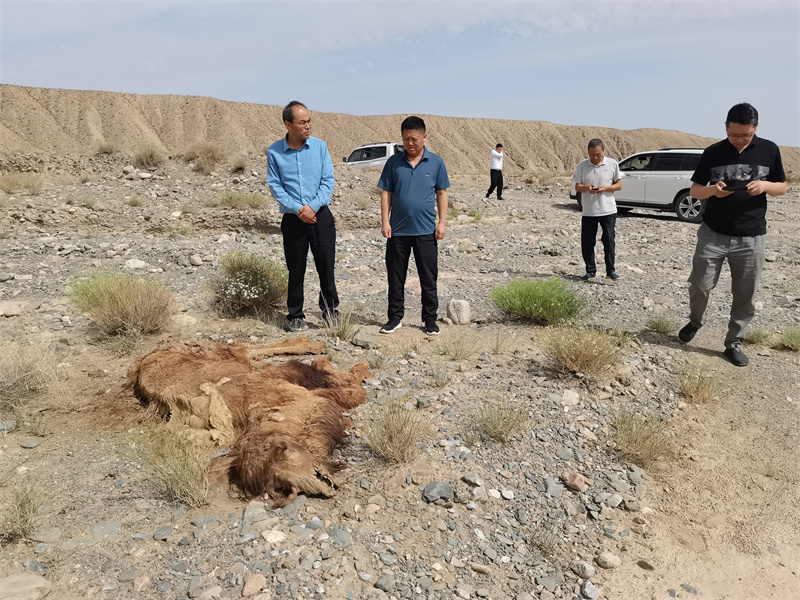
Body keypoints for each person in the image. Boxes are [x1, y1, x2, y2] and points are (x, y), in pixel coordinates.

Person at [678, 102, 786, 367]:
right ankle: (695, 321)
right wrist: (713, 191)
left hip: (751, 236)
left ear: (756, 128)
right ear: (726, 128)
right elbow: (694, 191)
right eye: (734, 134)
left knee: (745, 294)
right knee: (700, 285)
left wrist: (765, 186)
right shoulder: (713, 152)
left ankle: (734, 343)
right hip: (713, 232)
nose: (739, 140)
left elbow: (782, 187)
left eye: (746, 135)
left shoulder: (769, 150)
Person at [267, 101, 339, 332]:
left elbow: (328, 181)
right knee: (295, 269)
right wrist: (299, 209)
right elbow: (276, 187)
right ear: (288, 124)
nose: (308, 126)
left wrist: (312, 207)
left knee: (326, 267)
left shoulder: (320, 147)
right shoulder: (274, 152)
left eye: (309, 121)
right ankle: (295, 314)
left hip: (321, 217)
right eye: (302, 122)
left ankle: (330, 311)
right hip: (293, 220)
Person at [377, 116, 450, 335]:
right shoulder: (393, 163)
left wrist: (442, 223)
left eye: (414, 139)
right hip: (397, 231)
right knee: (395, 277)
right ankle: (395, 318)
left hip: (426, 231)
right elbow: (386, 193)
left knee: (428, 278)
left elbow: (442, 193)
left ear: (424, 137)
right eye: (406, 139)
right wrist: (385, 221)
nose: (410, 143)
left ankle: (429, 319)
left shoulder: (436, 162)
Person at [572, 139, 622, 280]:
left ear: (603, 152)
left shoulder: (612, 164)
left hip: (608, 210)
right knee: (587, 242)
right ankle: (590, 270)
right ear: (588, 153)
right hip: (589, 211)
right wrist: (587, 188)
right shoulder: (582, 165)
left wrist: (606, 188)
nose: (595, 157)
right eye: (592, 154)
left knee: (609, 240)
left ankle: (610, 270)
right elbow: (577, 186)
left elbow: (619, 185)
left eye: (598, 154)